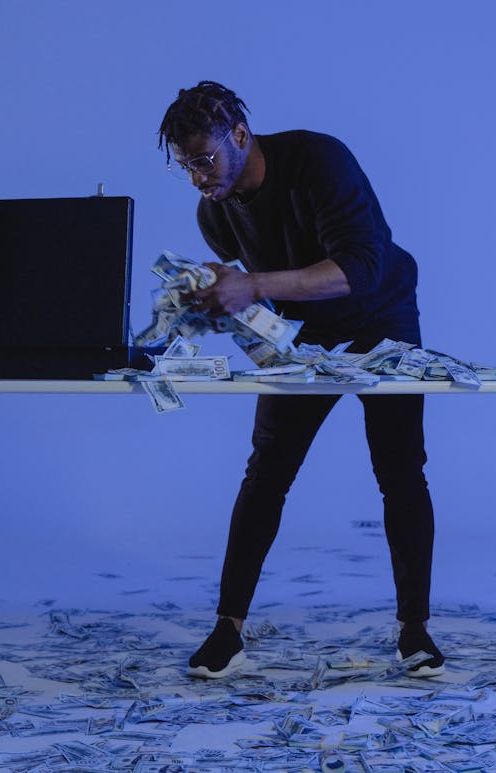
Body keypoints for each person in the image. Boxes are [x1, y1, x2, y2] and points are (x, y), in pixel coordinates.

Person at [157, 81, 443, 679]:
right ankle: (228, 630)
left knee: (400, 468)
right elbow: (265, 291)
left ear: (240, 135)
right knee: (266, 470)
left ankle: (415, 630)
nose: (197, 178)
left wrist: (252, 285)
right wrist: (223, 299)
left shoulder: (318, 160)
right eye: (184, 166)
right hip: (306, 328)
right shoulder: (215, 211)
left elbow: (362, 268)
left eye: (204, 160)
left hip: (379, 311)